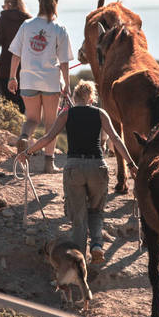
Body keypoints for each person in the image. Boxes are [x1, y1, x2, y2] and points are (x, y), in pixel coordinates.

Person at [19, 80, 135, 263]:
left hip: (74, 168)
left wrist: (27, 153)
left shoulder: (67, 113)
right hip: (97, 166)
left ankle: (79, 261)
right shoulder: (100, 113)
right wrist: (131, 164)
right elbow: (116, 139)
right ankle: (97, 245)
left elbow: (49, 137)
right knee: (96, 211)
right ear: (91, 98)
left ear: (75, 97)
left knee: (79, 218)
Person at [8, 0, 72, 173]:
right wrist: (67, 84)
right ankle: (49, 163)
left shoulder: (26, 26)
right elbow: (65, 62)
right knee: (50, 124)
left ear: (39, 4)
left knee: (32, 119)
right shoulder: (59, 28)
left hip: (27, 80)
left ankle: (24, 136)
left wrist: (12, 77)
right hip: (51, 81)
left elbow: (15, 54)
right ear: (55, 5)